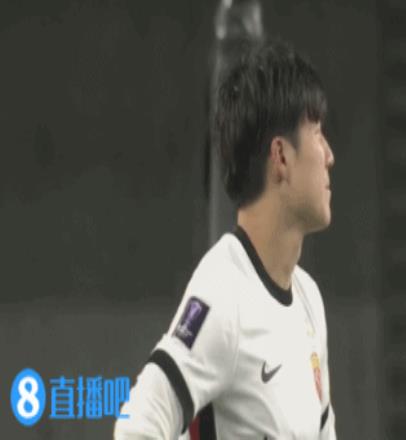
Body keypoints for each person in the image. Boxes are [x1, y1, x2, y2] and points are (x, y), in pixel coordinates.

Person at [114, 39, 336, 440]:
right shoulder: (223, 293)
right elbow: (137, 427)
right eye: (318, 134)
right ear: (281, 157)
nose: (329, 155)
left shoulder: (309, 302)